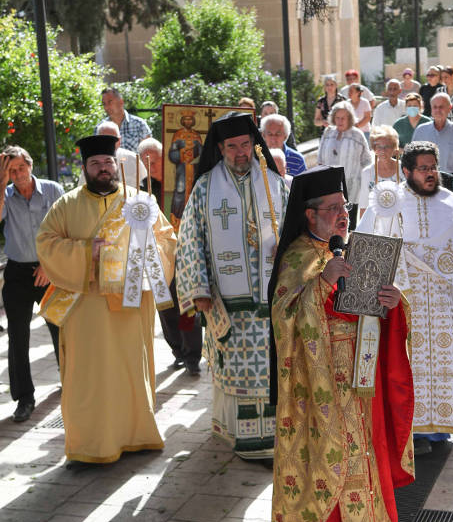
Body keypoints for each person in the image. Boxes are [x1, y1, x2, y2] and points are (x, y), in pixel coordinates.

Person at [269, 166, 414, 522]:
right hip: (320, 383)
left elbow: (368, 310)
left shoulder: (345, 251)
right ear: (309, 214)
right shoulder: (298, 256)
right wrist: (318, 285)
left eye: (344, 207)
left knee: (365, 454)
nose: (342, 215)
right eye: (332, 208)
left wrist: (392, 302)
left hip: (359, 373)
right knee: (333, 457)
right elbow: (283, 317)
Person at [36, 135, 177, 464]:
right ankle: (90, 445)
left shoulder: (140, 201)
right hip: (87, 308)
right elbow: (46, 243)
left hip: (130, 304)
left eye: (108, 163)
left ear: (117, 165)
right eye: (95, 164)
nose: (103, 169)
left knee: (130, 370)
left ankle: (137, 435)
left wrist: (145, 256)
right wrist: (88, 251)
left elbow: (167, 241)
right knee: (89, 376)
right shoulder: (67, 205)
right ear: (85, 168)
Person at [359, 142, 453, 453]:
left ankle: (439, 429)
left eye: (433, 167)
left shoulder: (451, 202)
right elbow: (368, 244)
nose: (430, 174)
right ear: (406, 171)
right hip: (403, 300)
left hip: (443, 300)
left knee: (444, 360)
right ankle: (412, 431)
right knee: (408, 364)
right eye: (423, 168)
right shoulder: (387, 202)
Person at [176, 112, 288, 460]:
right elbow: (190, 240)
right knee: (236, 370)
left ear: (254, 145)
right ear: (221, 149)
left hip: (273, 300)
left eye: (245, 145)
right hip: (228, 299)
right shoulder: (206, 188)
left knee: (272, 371)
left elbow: (296, 232)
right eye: (231, 147)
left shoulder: (276, 183)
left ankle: (277, 438)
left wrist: (284, 248)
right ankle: (243, 437)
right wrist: (199, 290)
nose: (240, 153)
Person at [0, 147, 63, 422]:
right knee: (17, 336)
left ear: (30, 165)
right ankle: (24, 398)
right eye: (11, 171)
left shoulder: (53, 190)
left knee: (62, 329)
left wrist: (49, 265)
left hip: (49, 270)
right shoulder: (5, 194)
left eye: (20, 168)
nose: (17, 175)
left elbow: (66, 230)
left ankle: (72, 383)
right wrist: (1, 183)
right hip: (16, 272)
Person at [139, 138, 203, 376]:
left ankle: (192, 355)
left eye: (155, 160)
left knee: (187, 306)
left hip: (184, 250)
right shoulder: (143, 189)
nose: (152, 165)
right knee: (165, 308)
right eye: (147, 162)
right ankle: (177, 350)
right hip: (157, 254)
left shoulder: (182, 182)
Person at [412, 92, 453, 201]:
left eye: (441, 107)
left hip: (451, 181)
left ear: (449, 108)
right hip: (425, 179)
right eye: (435, 107)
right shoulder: (420, 130)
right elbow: (412, 158)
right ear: (431, 109)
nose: (438, 110)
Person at [317, 101, 371, 230]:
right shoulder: (328, 132)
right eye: (337, 117)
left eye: (343, 118)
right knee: (330, 220)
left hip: (351, 187)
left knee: (348, 223)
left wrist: (365, 185)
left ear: (350, 118)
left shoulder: (357, 135)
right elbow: (320, 158)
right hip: (330, 185)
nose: (340, 121)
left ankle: (347, 248)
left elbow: (367, 161)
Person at [80, 120, 147, 189]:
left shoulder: (133, 159)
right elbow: (82, 189)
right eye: (104, 139)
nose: (108, 143)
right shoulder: (91, 162)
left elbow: (146, 184)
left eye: (112, 139)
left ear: (119, 140)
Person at [168, 109, 204, 232]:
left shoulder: (196, 136)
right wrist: (182, 154)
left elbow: (202, 154)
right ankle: (176, 221)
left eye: (190, 119)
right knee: (180, 191)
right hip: (182, 169)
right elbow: (172, 154)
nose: (188, 121)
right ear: (182, 121)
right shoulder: (177, 135)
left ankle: (194, 220)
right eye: (186, 119)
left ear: (193, 121)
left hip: (194, 169)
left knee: (195, 191)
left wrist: (194, 156)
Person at [358, 125, 401, 216]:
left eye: (387, 146)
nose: (383, 150)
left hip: (400, 219)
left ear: (394, 147)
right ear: (374, 149)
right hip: (375, 220)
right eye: (379, 146)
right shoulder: (367, 172)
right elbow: (364, 203)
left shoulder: (403, 169)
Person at [98, 87, 152, 152]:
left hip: (135, 162)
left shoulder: (139, 124)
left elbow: (149, 152)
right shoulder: (100, 128)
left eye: (110, 102)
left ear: (121, 102)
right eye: (104, 104)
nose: (106, 107)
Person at [138, 137, 163, 201]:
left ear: (162, 158)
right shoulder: (143, 186)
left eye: (153, 162)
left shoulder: (176, 179)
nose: (151, 168)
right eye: (146, 164)